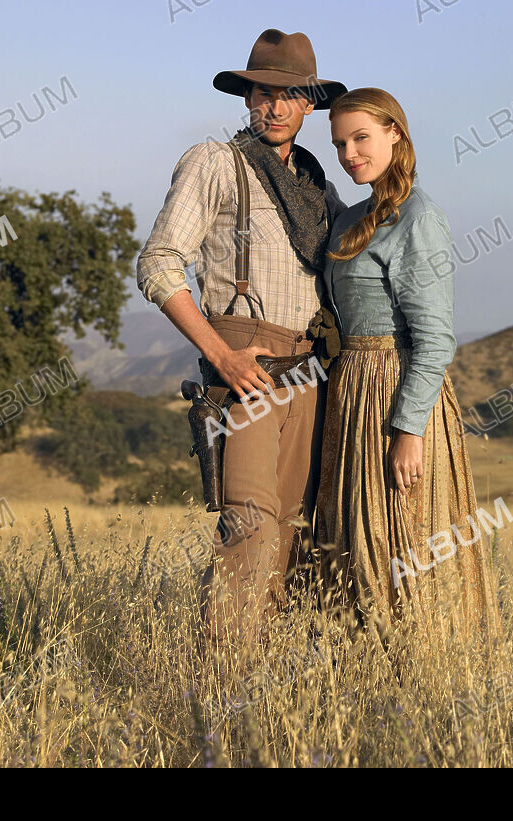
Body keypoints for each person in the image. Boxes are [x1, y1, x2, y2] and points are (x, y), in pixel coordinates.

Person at [135, 29, 347, 658]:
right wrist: (221, 356)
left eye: (290, 94)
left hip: (309, 370)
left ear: (309, 103)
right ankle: (218, 694)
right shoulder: (215, 161)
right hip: (244, 366)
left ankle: (268, 696)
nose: (276, 106)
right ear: (248, 97)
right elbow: (158, 264)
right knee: (249, 531)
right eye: (263, 92)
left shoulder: (315, 184)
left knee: (293, 538)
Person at [314, 87, 501, 645]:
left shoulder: (419, 217)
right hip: (351, 393)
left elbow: (436, 340)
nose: (349, 154)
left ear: (395, 132)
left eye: (361, 138)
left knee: (404, 540)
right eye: (340, 143)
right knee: (353, 541)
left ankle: (425, 673)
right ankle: (364, 672)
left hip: (398, 395)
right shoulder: (348, 219)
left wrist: (409, 430)